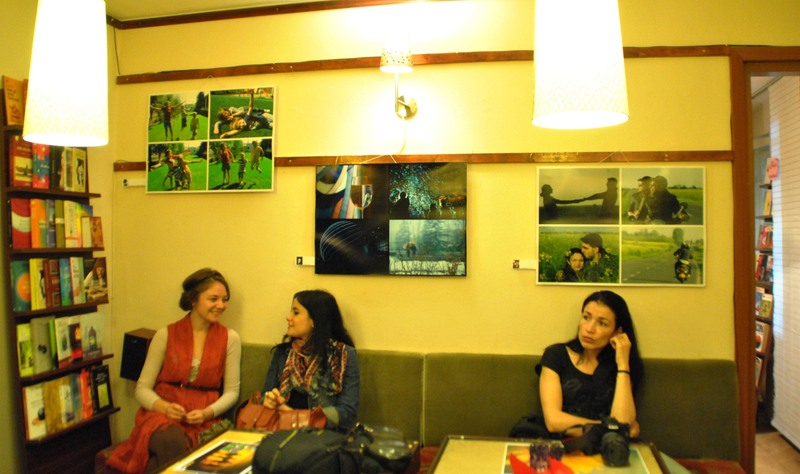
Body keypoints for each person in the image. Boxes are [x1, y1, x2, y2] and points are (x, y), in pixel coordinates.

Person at [107, 268, 241, 473]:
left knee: (157, 463)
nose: (221, 305)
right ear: (193, 300)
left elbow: (232, 392)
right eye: (213, 299)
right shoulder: (165, 335)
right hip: (162, 415)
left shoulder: (230, 339)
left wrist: (206, 413)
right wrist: (164, 407)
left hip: (204, 418)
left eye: (225, 300)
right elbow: (142, 388)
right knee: (171, 440)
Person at [511, 291, 643, 439]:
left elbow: (623, 422)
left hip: (607, 447)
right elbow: (553, 421)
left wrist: (623, 364)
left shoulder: (622, 366)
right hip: (559, 445)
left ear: (617, 332)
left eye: (602, 323)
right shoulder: (556, 355)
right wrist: (611, 428)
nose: (589, 329)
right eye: (586, 317)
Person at [261, 290, 359, 432]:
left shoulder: (343, 355)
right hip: (281, 431)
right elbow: (265, 394)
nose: (288, 317)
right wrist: (270, 401)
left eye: (295, 313)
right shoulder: (282, 353)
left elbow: (347, 412)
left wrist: (298, 417)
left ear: (314, 320)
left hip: (322, 436)